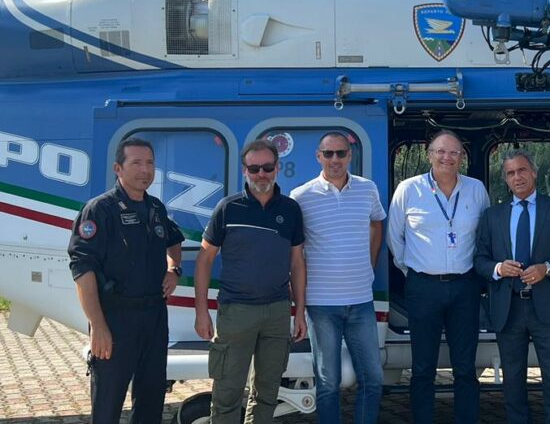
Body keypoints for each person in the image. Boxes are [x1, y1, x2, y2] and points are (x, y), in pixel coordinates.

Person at [68, 137, 185, 424]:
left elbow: (174, 241)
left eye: (150, 163)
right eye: (136, 163)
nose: (145, 170)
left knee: (151, 400)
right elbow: (82, 270)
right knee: (108, 405)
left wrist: (174, 269)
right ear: (118, 168)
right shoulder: (99, 211)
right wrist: (98, 326)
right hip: (116, 319)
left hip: (154, 318)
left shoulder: (155, 208)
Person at [194, 139, 308, 424]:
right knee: (227, 391)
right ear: (244, 170)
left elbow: (297, 263)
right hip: (236, 313)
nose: (261, 174)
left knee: (268, 391)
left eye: (267, 167)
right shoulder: (228, 208)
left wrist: (300, 311)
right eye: (254, 168)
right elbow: (204, 260)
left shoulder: (291, 210)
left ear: (277, 168)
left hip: (277, 312)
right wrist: (201, 311)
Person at [386, 130, 490, 424]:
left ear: (462, 157)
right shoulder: (409, 189)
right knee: (422, 367)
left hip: (465, 286)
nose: (447, 158)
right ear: (429, 154)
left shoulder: (476, 189)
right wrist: (415, 272)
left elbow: (485, 236)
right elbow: (396, 239)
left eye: (454, 153)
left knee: (465, 367)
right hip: (423, 287)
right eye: (441, 152)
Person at [473, 149, 550, 424]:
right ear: (505, 180)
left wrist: (547, 268)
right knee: (513, 377)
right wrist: (498, 269)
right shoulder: (492, 216)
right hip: (508, 307)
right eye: (510, 173)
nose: (517, 177)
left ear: (534, 172)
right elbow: (479, 260)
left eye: (522, 170)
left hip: (548, 306)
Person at [290, 132, 386, 424]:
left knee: (373, 379)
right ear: (318, 156)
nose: (335, 159)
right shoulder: (301, 196)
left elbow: (376, 224)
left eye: (341, 153)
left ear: (350, 156)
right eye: (328, 154)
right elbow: (295, 253)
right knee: (328, 384)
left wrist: (367, 266)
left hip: (361, 302)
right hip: (321, 306)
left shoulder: (367, 190)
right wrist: (300, 306)